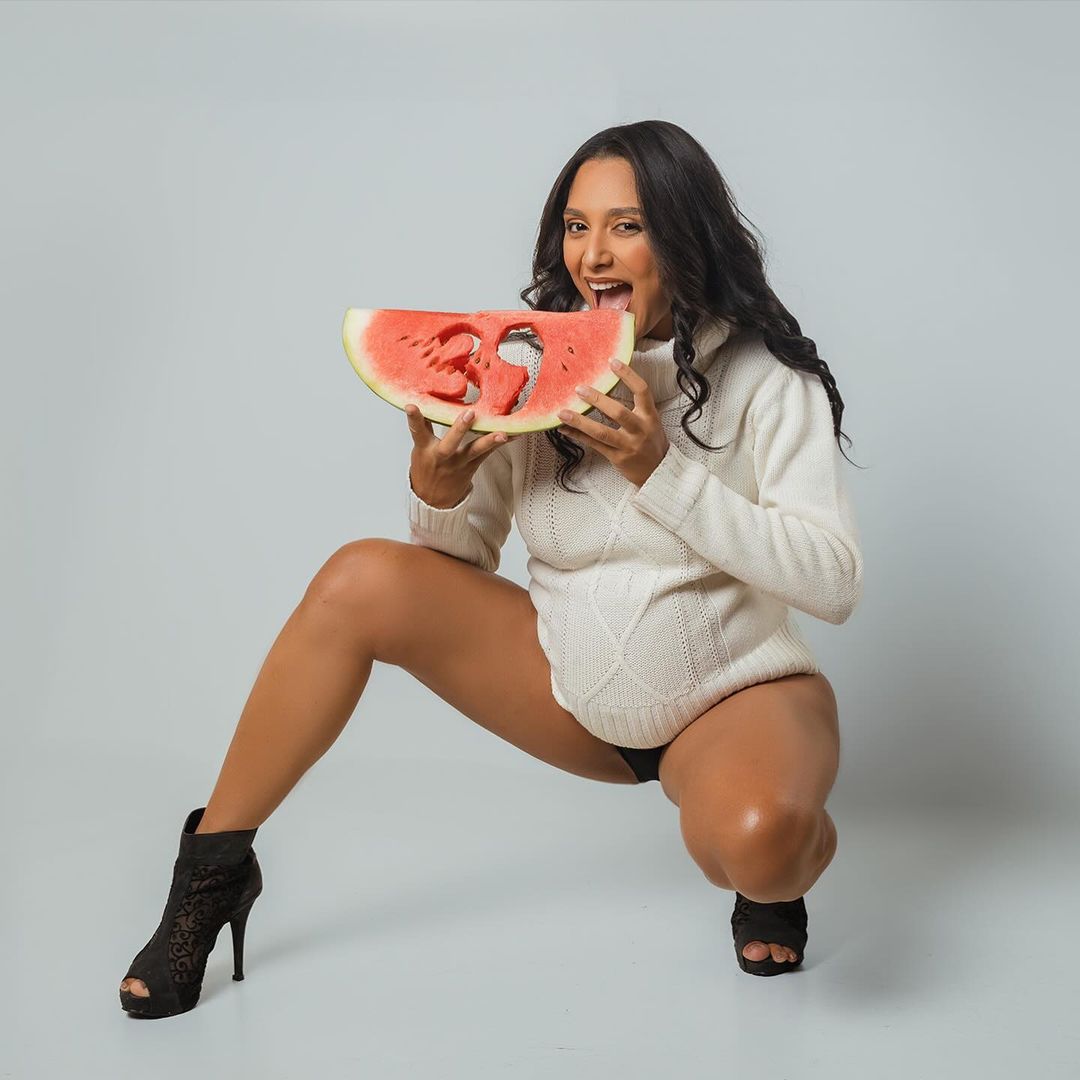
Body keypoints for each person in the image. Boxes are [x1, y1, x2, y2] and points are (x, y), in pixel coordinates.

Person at [119, 120, 864, 1017]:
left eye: (627, 226)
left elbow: (832, 582)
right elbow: (457, 569)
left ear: (684, 234)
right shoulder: (531, 364)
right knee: (360, 578)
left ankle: (771, 872)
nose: (594, 253)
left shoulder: (766, 378)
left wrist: (659, 472)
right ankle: (213, 874)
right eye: (577, 226)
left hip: (734, 697)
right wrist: (437, 493)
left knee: (760, 841)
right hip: (573, 697)